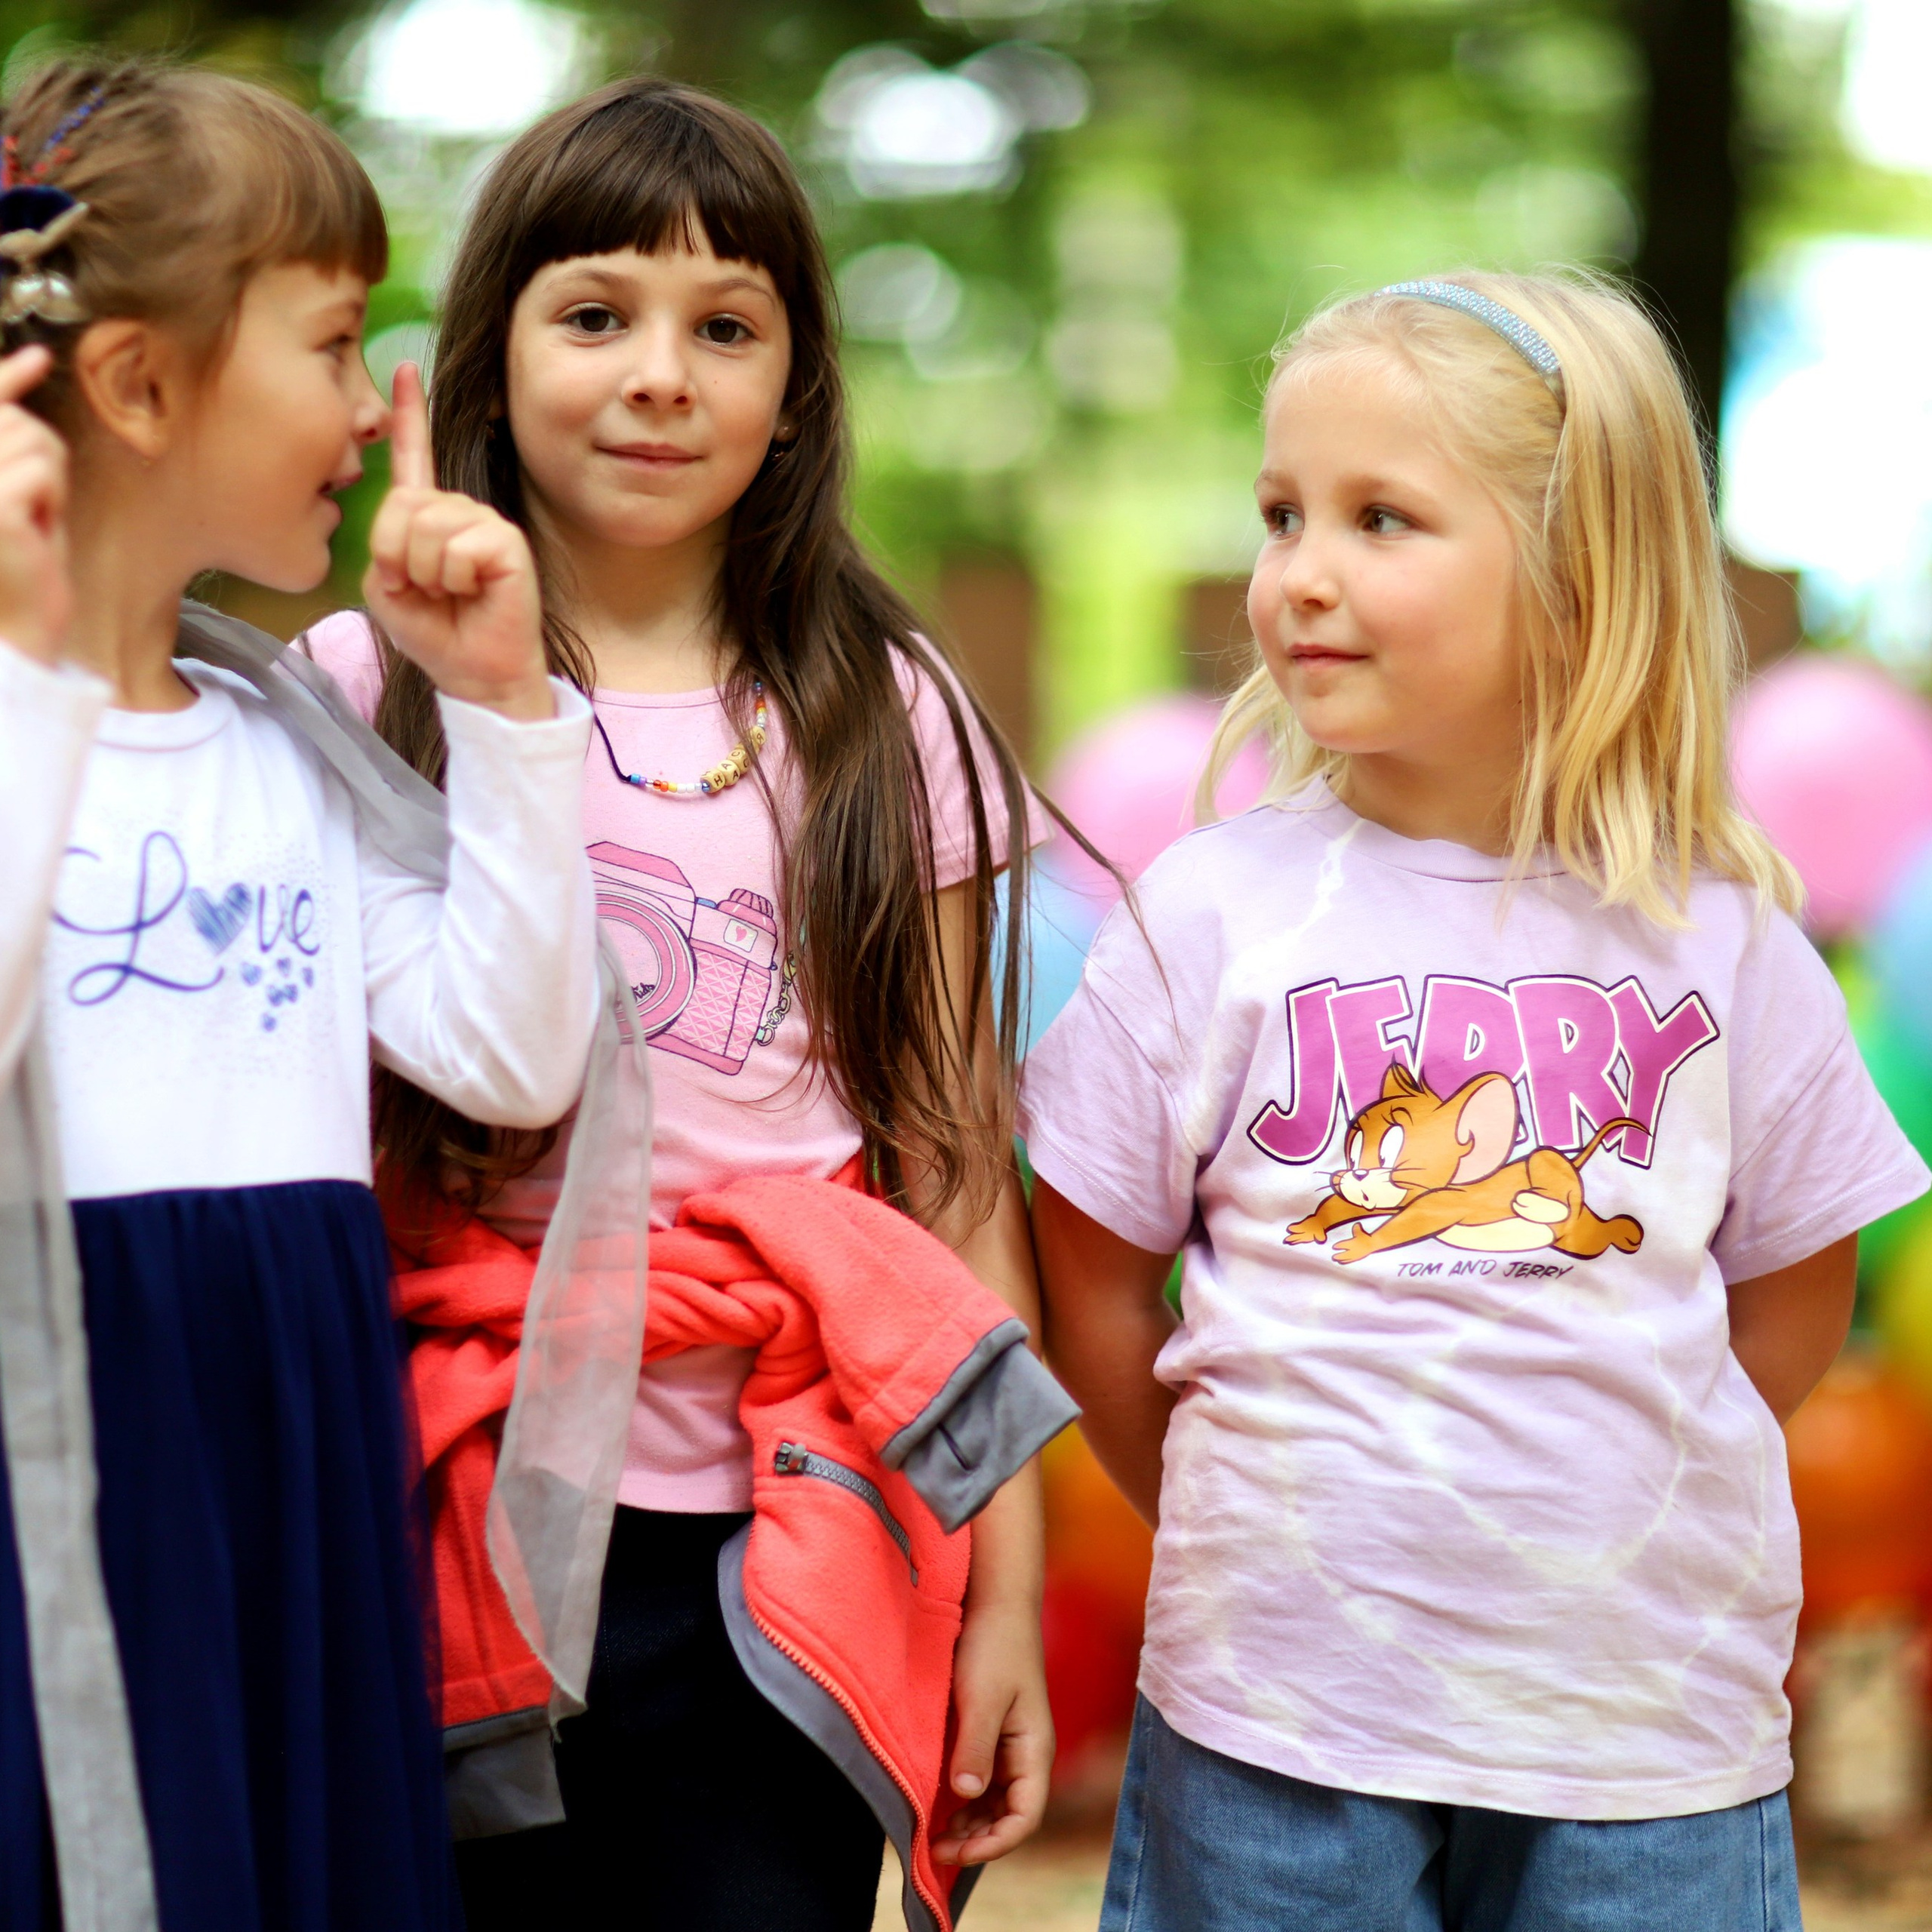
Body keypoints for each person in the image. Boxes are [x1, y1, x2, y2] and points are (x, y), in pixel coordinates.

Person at [1019, 272, 1930, 1932]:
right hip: (1274, 1717)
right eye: (1281, 511)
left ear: (1580, 580)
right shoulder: (1207, 910)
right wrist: (1228, 1510)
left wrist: (1616, 1474)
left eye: (1380, 517)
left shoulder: (1721, 932)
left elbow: (1799, 1282)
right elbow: (1080, 1262)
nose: (1298, 571)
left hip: (1644, 1727)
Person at [303, 76, 1054, 1932]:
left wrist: (1007, 1593)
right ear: (490, 350)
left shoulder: (890, 719)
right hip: (447, 1511)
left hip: (787, 1530)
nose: (659, 373)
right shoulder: (350, 685)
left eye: (725, 327)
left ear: (793, 387)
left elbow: (954, 1170)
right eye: (596, 313)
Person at [0, 58, 602, 1932]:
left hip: (285, 1420)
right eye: (336, 345)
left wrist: (499, 709)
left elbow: (510, 1051)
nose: (372, 407)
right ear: (137, 383)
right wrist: (31, 668)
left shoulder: (279, 737)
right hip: (56, 1435)